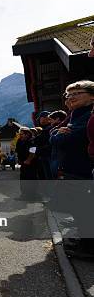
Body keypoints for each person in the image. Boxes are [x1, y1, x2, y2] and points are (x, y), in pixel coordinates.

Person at [50, 81, 94, 258]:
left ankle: (89, 249)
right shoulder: (76, 114)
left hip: (82, 169)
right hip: (73, 168)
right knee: (79, 209)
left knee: (85, 210)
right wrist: (61, 133)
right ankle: (85, 241)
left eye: (77, 93)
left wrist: (63, 133)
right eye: (69, 95)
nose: (71, 97)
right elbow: (53, 136)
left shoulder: (88, 115)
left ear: (92, 96)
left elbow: (69, 139)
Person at [15, 128, 38, 199]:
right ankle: (24, 195)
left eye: (22, 134)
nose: (20, 136)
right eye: (20, 134)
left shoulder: (32, 141)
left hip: (31, 163)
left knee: (31, 179)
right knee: (23, 179)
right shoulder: (19, 141)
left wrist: (28, 160)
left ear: (27, 134)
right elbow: (17, 151)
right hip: (23, 163)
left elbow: (33, 152)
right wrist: (18, 159)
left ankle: (32, 195)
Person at [48, 110, 68, 178]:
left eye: (51, 119)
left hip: (60, 162)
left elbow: (55, 141)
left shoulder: (60, 130)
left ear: (57, 119)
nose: (49, 121)